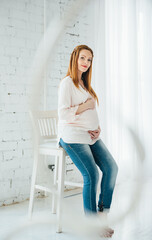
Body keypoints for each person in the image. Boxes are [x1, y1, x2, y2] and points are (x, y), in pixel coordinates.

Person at [57, 44, 118, 238]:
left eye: (89, 60)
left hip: (90, 135)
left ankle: (102, 216)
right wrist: (85, 106)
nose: (86, 63)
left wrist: (96, 127)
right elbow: (63, 114)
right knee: (91, 175)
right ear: (75, 58)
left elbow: (90, 111)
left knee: (112, 168)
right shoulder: (67, 83)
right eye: (83, 58)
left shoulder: (85, 84)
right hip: (72, 136)